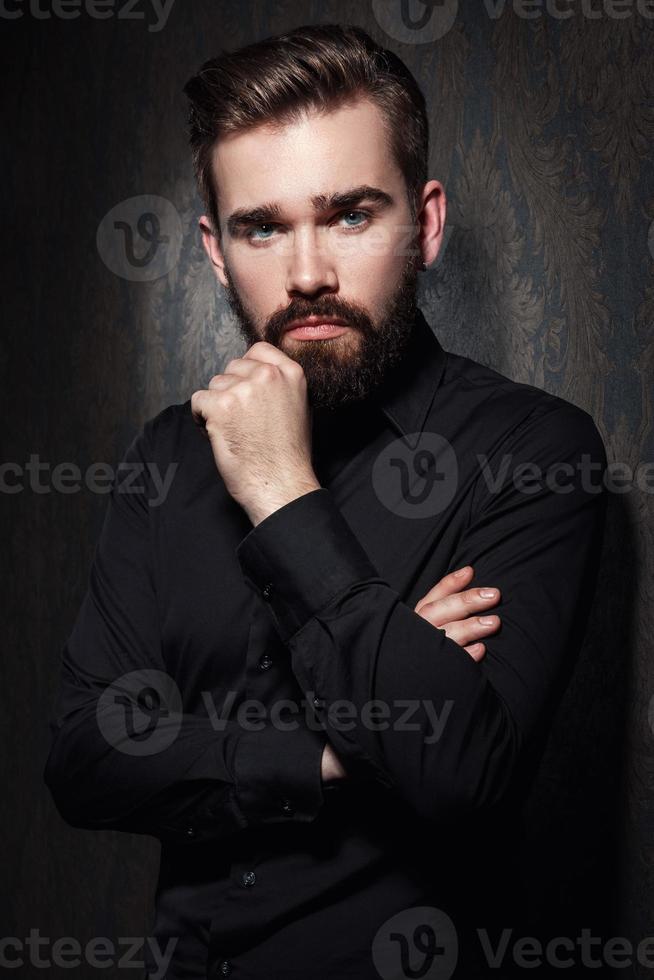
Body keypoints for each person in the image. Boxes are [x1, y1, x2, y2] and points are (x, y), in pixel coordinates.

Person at [44, 23, 608, 980]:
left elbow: (463, 775)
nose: (306, 273)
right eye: (262, 227)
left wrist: (281, 493)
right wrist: (337, 749)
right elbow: (85, 757)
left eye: (350, 215)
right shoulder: (167, 453)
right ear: (216, 253)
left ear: (424, 225)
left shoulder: (533, 452)